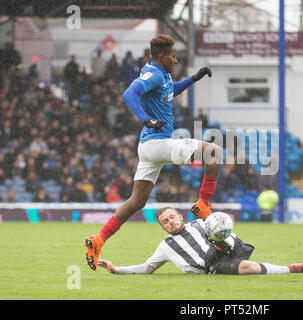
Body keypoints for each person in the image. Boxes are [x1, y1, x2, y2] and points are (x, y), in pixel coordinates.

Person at [84, 34, 220, 271]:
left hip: (149, 148)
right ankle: (203, 204)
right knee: (214, 152)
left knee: (137, 201)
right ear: (163, 55)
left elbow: (169, 92)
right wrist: (146, 119)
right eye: (174, 56)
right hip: (157, 143)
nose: (175, 60)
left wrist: (193, 79)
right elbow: (129, 94)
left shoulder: (162, 74)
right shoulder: (153, 73)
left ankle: (99, 239)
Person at [98, 207, 303, 275]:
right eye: (166, 221)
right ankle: (292, 269)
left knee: (223, 233)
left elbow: (215, 225)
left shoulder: (198, 224)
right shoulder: (166, 245)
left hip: (225, 248)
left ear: (179, 216)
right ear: (163, 227)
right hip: (210, 264)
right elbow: (147, 268)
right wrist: (116, 269)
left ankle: (227, 245)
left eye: (172, 217)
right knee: (249, 267)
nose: (171, 222)